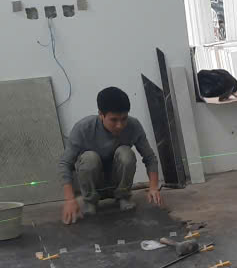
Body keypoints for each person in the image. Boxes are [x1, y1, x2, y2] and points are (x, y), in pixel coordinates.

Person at [60, 86, 163, 225]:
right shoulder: (83, 129)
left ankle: (123, 197)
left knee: (126, 153)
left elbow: (150, 157)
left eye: (124, 119)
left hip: (117, 181)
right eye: (113, 120)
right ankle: (90, 201)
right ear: (101, 115)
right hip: (94, 183)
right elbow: (65, 164)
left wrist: (153, 187)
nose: (120, 125)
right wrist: (69, 199)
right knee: (89, 158)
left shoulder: (133, 126)